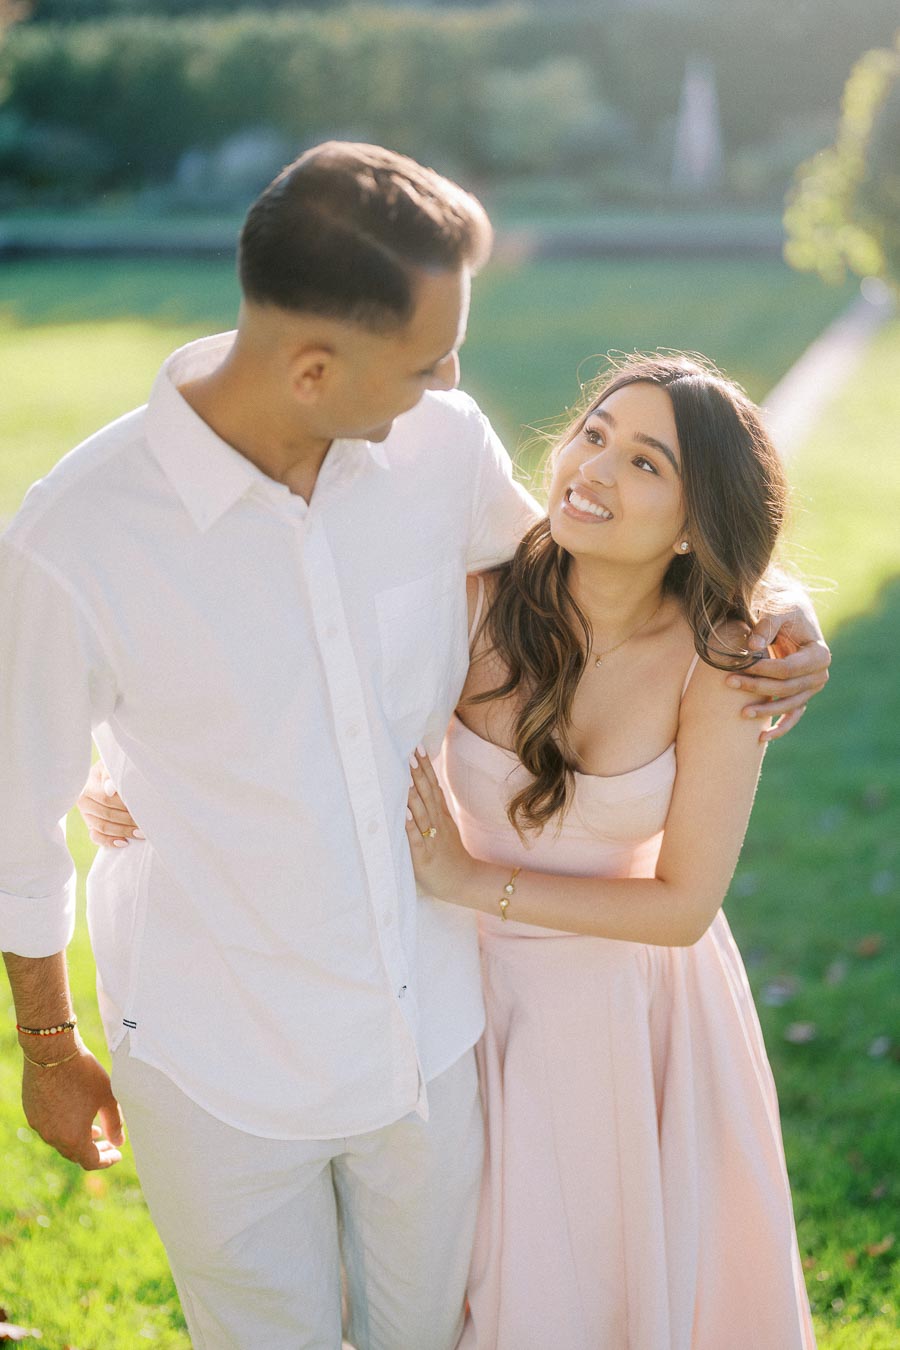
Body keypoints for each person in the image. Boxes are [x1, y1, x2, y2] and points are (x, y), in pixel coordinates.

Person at [1, 141, 827, 1350]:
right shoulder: (78, 539)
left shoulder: (438, 449)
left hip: (435, 1036)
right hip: (217, 1047)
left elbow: (595, 567)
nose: (452, 381)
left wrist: (777, 608)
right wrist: (47, 1041)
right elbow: (13, 829)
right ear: (314, 367)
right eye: (428, 358)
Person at [403, 354, 817, 1348]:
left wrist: (472, 879)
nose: (593, 469)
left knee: (599, 1287)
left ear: (692, 523)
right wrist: (134, 785)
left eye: (644, 462)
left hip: (626, 1016)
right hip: (453, 986)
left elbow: (682, 907)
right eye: (594, 435)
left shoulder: (723, 664)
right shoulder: (472, 595)